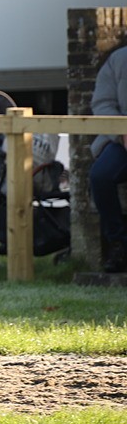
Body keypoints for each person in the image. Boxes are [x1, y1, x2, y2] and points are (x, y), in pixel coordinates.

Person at [90, 44, 127, 273]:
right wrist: (123, 133)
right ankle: (118, 244)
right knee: (100, 176)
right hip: (121, 140)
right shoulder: (118, 59)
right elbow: (102, 104)